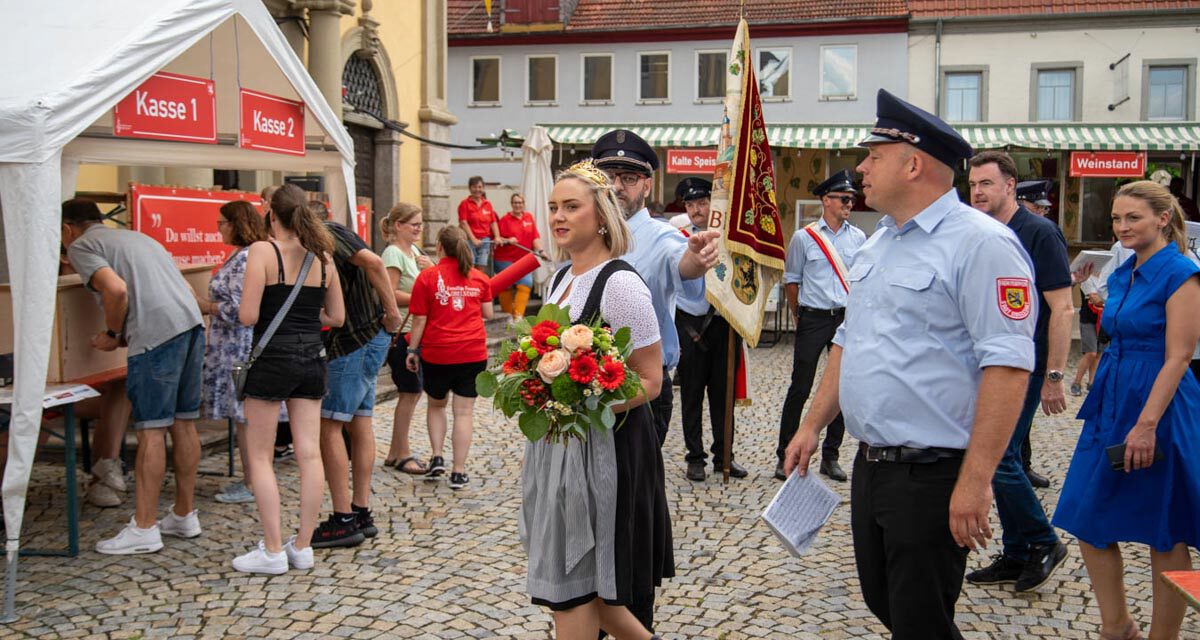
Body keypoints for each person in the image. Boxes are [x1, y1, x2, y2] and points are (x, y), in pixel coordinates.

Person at [783, 89, 1036, 639]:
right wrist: (810, 424)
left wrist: (976, 480)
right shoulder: (879, 245)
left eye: (874, 156)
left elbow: (1009, 367)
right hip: (873, 466)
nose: (862, 168)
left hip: (933, 471)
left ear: (914, 163)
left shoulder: (982, 244)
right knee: (888, 604)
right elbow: (848, 345)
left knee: (920, 620)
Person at [522, 159, 671, 639]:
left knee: (577, 592)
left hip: (606, 454)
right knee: (590, 597)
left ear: (602, 214)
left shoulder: (621, 284)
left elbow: (651, 380)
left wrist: (579, 402)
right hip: (559, 451)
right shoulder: (559, 279)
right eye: (553, 208)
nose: (558, 217)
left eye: (571, 206)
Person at [1052, 180, 1200, 640]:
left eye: (1132, 217)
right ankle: (1117, 627)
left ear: (1162, 217)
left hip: (1160, 404)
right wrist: (1089, 295)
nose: (1121, 227)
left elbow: (1178, 355)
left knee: (1165, 528)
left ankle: (1163, 637)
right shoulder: (1123, 271)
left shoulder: (1182, 273)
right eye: (1116, 218)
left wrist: (1147, 424)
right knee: (1084, 515)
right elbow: (1119, 323)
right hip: (1112, 398)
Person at [62, 199, 207, 555]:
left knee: (151, 430)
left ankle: (144, 527)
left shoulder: (83, 245)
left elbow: (116, 290)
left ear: (68, 229)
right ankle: (184, 515)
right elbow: (187, 291)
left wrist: (112, 334)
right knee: (184, 424)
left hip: (156, 335)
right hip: (191, 326)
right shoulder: (139, 238)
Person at [964, 151, 1073, 592]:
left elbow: (1063, 307)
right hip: (987, 363)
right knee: (997, 458)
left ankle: (1045, 541)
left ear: (1010, 186)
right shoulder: (980, 233)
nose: (977, 192)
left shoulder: (1038, 232)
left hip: (1026, 366)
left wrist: (1054, 375)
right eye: (972, 185)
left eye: (986, 184)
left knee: (1001, 458)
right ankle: (1015, 552)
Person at [234, 184, 344, 574]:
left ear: (270, 213)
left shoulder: (262, 252)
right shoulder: (324, 257)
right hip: (312, 357)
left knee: (261, 456)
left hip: (271, 359)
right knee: (309, 453)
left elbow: (248, 316)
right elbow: (336, 318)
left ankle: (273, 549)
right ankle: (303, 546)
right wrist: (303, 319)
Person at [590, 129, 720, 445]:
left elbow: (683, 263)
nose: (617, 186)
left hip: (641, 383)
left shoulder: (662, 236)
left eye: (629, 178)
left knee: (635, 488)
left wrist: (696, 259)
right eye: (608, 176)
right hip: (587, 379)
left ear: (647, 186)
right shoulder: (588, 233)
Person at [311, 208, 404, 548]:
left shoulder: (328, 234)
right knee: (359, 421)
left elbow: (375, 264)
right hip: (366, 337)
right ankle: (360, 510)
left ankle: (343, 518)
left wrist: (392, 313)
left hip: (355, 339)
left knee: (330, 425)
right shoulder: (331, 234)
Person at [776, 169, 865, 483]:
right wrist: (800, 316)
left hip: (844, 316)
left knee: (841, 388)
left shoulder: (859, 238)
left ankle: (831, 456)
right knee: (800, 387)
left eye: (851, 199)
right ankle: (783, 453)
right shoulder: (804, 237)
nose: (849, 203)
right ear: (826, 200)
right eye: (843, 198)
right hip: (813, 317)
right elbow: (792, 281)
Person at [406, 226, 492, 491]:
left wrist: (412, 351)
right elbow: (488, 313)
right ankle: (459, 471)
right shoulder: (479, 277)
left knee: (436, 406)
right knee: (464, 412)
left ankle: (437, 456)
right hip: (473, 352)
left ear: (439, 247)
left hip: (438, 353)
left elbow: (419, 319)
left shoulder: (427, 277)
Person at [673, 177, 748, 482]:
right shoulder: (677, 238)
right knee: (691, 395)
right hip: (689, 324)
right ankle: (695, 458)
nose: (696, 209)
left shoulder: (729, 237)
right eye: (690, 205)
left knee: (723, 395)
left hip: (722, 323)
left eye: (702, 202)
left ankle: (724, 456)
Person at [194, 201, 268, 504]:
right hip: (232, 344)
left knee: (245, 417)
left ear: (237, 223)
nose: (218, 228)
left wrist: (206, 306)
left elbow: (242, 309)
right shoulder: (243, 256)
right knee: (243, 417)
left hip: (238, 345)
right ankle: (252, 479)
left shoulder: (246, 258)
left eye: (222, 223)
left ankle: (253, 482)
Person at [379, 203, 434, 476]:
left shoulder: (414, 252)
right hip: (402, 334)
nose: (419, 229)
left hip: (416, 331)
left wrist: (431, 269)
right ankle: (403, 453)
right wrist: (421, 299)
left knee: (412, 393)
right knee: (409, 393)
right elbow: (388, 293)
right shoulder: (393, 253)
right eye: (414, 224)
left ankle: (393, 451)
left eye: (421, 224)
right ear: (398, 226)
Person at [493, 193, 545, 320]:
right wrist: (507, 239)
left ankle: (518, 316)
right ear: (512, 204)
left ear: (523, 204)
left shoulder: (529, 218)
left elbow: (535, 237)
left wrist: (541, 251)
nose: (518, 205)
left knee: (526, 283)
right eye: (515, 202)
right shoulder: (505, 219)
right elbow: (497, 238)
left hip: (523, 259)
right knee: (507, 285)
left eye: (520, 202)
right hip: (504, 258)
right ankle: (508, 315)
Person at [458, 176, 499, 274]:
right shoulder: (464, 204)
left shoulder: (487, 204)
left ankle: (478, 286)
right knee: (470, 265)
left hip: (485, 240)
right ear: (470, 188)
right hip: (469, 240)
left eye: (480, 187)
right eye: (474, 187)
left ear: (483, 188)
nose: (477, 190)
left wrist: (497, 236)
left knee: (481, 266)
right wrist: (473, 239)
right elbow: (463, 222)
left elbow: (493, 222)